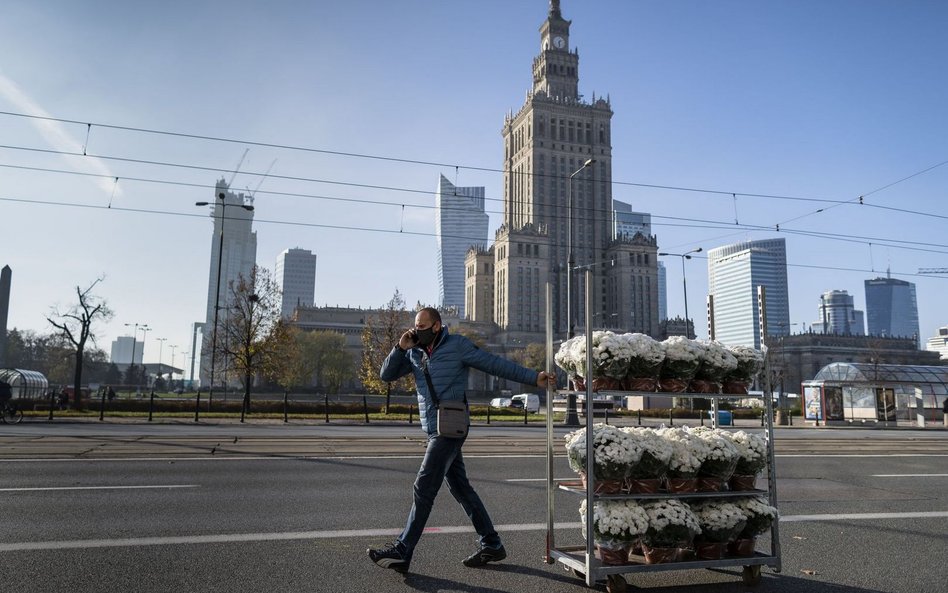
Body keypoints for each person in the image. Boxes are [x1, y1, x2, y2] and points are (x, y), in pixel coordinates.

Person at [367, 307, 552, 574]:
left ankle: (402, 550)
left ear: (437, 327)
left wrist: (534, 378)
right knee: (460, 487)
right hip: (433, 428)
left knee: (424, 486)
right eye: (415, 325)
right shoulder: (414, 352)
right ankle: (492, 543)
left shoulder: (457, 345)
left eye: (422, 325)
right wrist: (399, 347)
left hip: (451, 427)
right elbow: (386, 375)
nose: (416, 330)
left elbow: (493, 363)